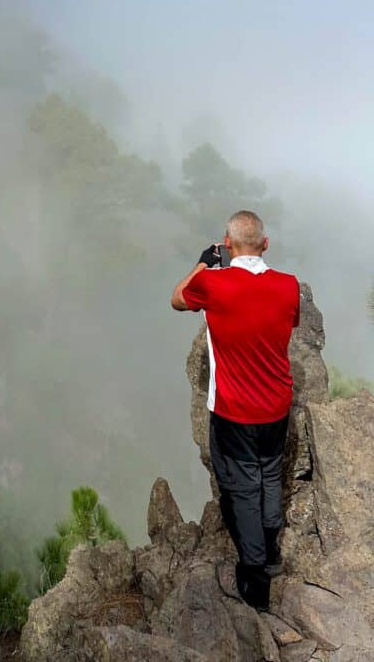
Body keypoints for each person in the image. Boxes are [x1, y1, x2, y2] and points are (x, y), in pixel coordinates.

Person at [170, 210, 300, 612]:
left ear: (227, 244)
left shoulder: (212, 284)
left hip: (234, 411)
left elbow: (177, 299)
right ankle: (272, 552)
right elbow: (286, 324)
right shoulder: (288, 286)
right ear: (266, 243)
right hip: (276, 407)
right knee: (270, 474)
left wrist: (203, 263)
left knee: (244, 488)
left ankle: (255, 580)